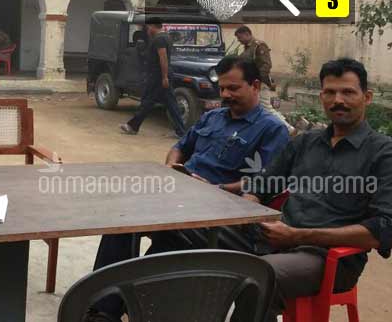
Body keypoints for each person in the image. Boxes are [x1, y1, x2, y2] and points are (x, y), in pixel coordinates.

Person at [88, 58, 392, 322]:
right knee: (161, 227)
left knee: (254, 278)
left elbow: (381, 229)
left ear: (366, 97)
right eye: (330, 92)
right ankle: (108, 312)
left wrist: (297, 235)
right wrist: (248, 209)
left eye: (348, 92)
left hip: (324, 256)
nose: (338, 100)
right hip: (269, 238)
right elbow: (263, 183)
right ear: (322, 96)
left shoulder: (382, 153)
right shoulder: (307, 142)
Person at [86, 56, 289, 322]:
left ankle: (142, 305)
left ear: (255, 86)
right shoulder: (213, 117)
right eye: (222, 88)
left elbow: (263, 181)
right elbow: (179, 147)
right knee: (121, 218)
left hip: (221, 214)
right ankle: (103, 311)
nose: (225, 95)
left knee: (167, 238)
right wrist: (172, 168)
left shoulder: (272, 129)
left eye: (233, 88)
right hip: (181, 198)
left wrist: (215, 189)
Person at [120, 18, 186, 137]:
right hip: (162, 75)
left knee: (147, 101)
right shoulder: (166, 37)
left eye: (148, 27)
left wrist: (164, 77)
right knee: (171, 103)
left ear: (153, 26)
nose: (147, 29)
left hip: (158, 76)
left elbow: (163, 58)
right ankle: (181, 131)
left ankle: (133, 126)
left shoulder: (159, 39)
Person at [235, 25, 295, 133]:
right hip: (251, 83)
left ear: (247, 34)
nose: (239, 40)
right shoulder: (248, 48)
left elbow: (266, 65)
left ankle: (289, 130)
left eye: (240, 37)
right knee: (255, 108)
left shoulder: (259, 46)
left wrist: (259, 81)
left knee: (266, 108)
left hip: (259, 83)